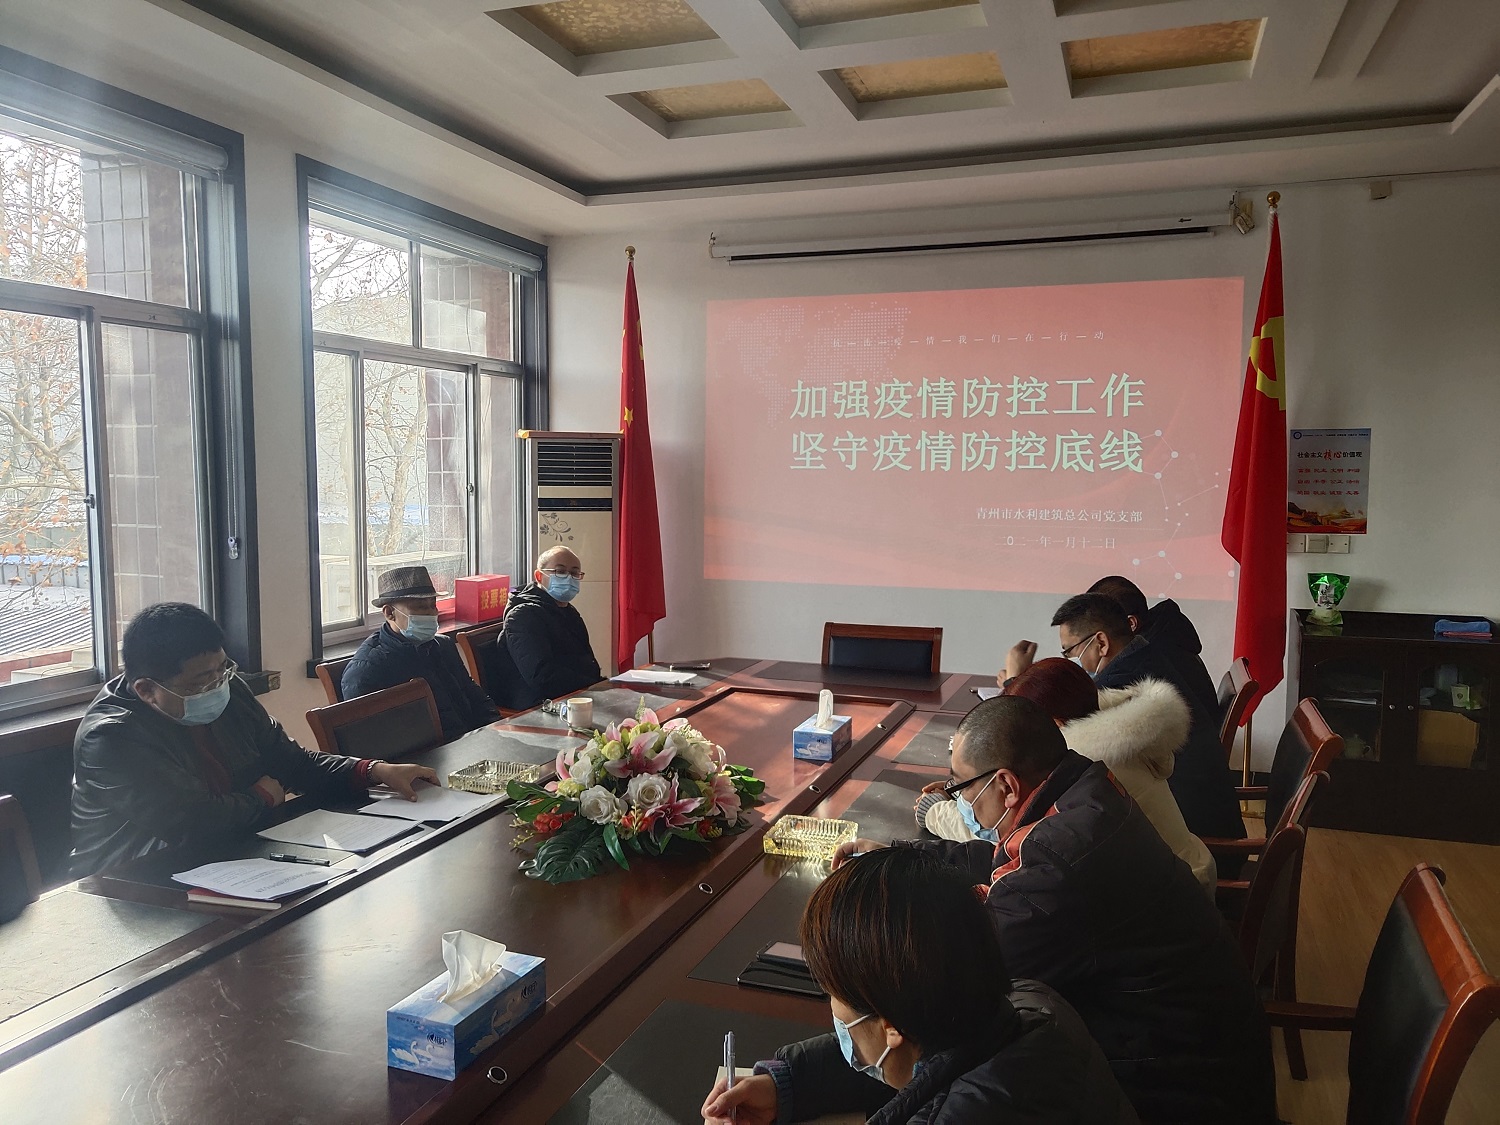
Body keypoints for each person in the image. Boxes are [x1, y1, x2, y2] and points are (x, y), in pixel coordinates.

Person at [834, 697, 1276, 1125]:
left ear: (1006, 786)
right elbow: (999, 859)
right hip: (1196, 1044)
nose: (960, 800)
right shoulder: (1084, 791)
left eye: (961, 787)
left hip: (1177, 1087)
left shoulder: (1062, 862)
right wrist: (903, 856)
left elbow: (965, 971)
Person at [701, 847, 1137, 1125]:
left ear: (891, 1027)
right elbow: (918, 1070)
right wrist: (787, 1084)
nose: (831, 1007)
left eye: (834, 993)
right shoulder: (1025, 1003)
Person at [71, 603, 436, 878]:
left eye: (221, 669)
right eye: (200, 681)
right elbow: (194, 822)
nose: (217, 685)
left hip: (234, 856)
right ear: (147, 690)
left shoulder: (230, 690)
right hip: (135, 880)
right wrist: (263, 796)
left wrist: (373, 770)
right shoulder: (111, 737)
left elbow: (293, 764)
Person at [917, 657, 1217, 895]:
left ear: (1054, 726)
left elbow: (1014, 836)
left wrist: (935, 811)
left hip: (1162, 906)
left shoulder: (1091, 770)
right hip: (1174, 885)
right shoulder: (1119, 746)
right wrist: (969, 788)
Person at [1005, 593, 1245, 843]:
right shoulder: (1147, 660)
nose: (1071, 660)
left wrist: (1015, 682)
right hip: (1202, 824)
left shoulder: (1121, 684)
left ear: (1101, 643)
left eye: (1069, 651)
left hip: (1203, 836)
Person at [341, 565, 500, 739]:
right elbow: (373, 740)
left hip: (469, 741)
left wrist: (497, 731)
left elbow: (476, 697)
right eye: (421, 607)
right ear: (389, 613)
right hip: (426, 752)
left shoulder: (442, 645)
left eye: (433, 605)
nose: (431, 614)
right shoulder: (366, 671)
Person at [489, 545, 602, 712]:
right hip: (539, 705)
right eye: (560, 571)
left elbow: (587, 662)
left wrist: (602, 686)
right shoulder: (522, 616)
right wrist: (593, 687)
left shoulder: (568, 612)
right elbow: (542, 677)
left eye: (574, 573)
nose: (568, 578)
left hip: (577, 695)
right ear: (539, 576)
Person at [1087, 575, 1218, 717]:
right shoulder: (1164, 636)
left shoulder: (1143, 659)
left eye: (1093, 628)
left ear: (1131, 624)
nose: (1097, 641)